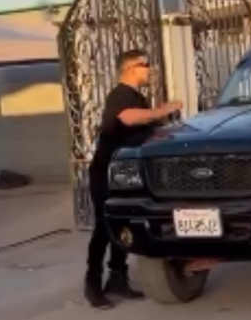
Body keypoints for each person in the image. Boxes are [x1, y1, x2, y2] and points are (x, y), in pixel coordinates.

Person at [84, 49, 182, 309]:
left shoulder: (137, 97)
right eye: (144, 64)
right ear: (129, 69)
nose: (149, 69)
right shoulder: (120, 95)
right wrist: (161, 110)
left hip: (126, 176)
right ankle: (92, 284)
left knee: (123, 226)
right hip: (106, 173)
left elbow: (143, 131)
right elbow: (126, 117)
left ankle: (117, 278)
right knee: (104, 229)